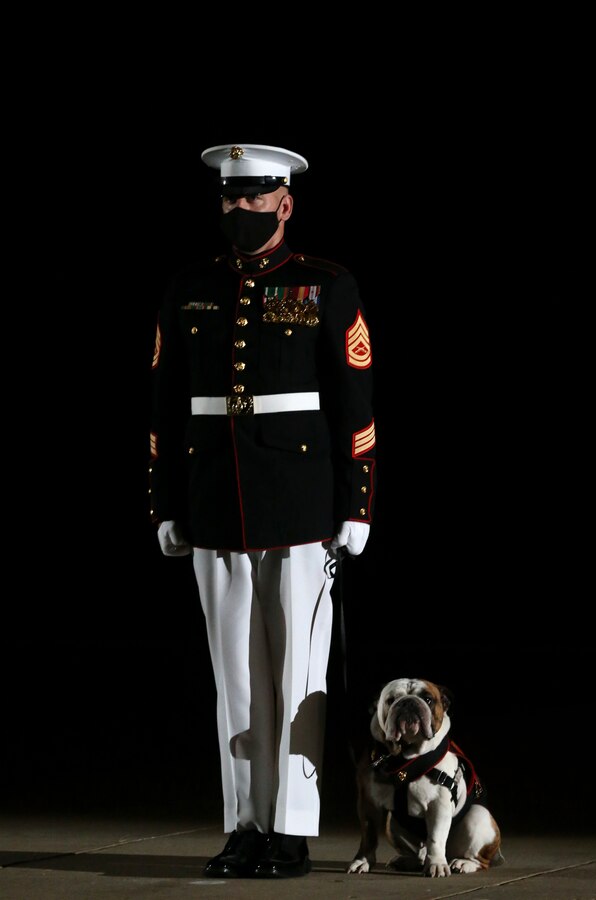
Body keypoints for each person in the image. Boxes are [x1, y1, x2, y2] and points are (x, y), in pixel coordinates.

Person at [149, 143, 376, 879]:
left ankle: (292, 831)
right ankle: (246, 825)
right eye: (230, 198)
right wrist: (165, 501)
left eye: (255, 197)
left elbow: (354, 401)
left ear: (285, 203)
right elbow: (165, 402)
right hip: (214, 500)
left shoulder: (324, 285)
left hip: (302, 506)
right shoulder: (190, 287)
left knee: (299, 674)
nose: (241, 209)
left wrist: (357, 503)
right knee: (236, 681)